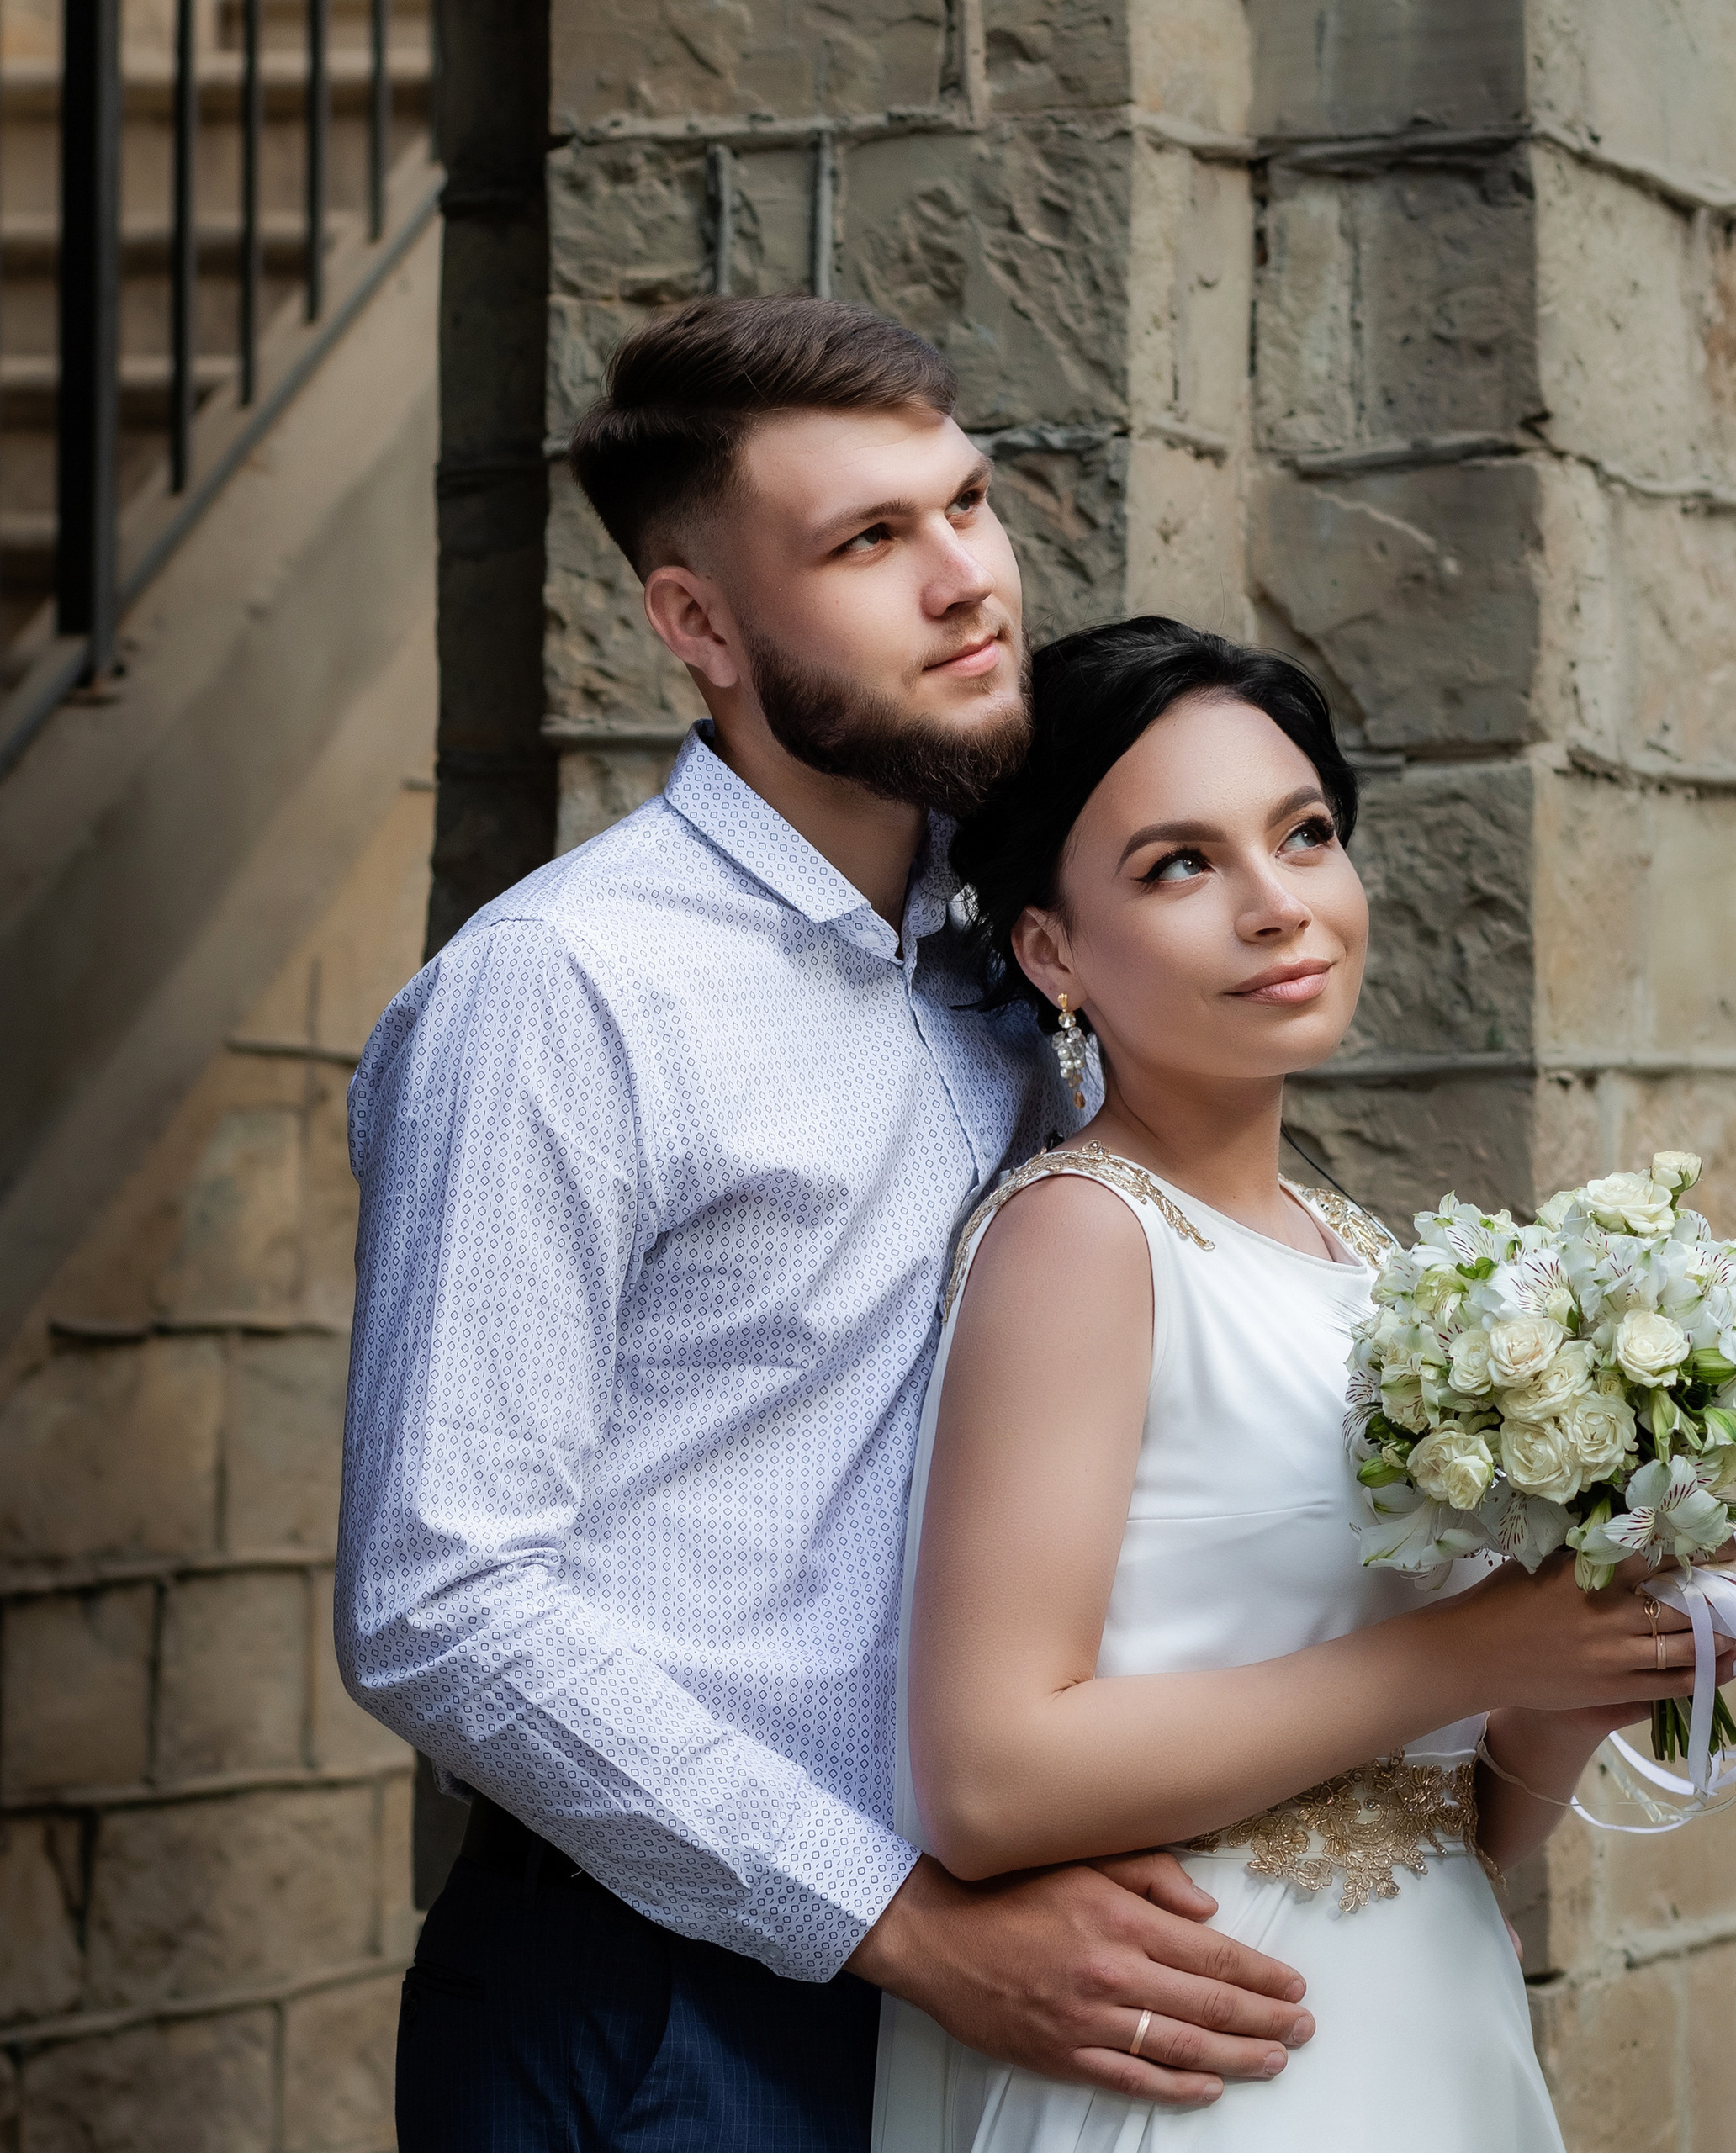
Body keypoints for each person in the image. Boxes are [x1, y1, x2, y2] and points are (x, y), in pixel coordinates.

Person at [336, 297, 1320, 2151]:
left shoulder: (1021, 953)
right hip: (661, 1997)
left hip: (984, 1970)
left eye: (965, 504)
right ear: (694, 624)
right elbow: (441, 1603)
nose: (964, 580)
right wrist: (895, 1919)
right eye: (868, 541)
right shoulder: (565, 994)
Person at [874, 618, 1736, 2149]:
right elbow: (990, 1779)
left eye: (1306, 836)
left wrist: (1592, 1664)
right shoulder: (1086, 1240)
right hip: (1209, 2048)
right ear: (1050, 948)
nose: (1282, 906)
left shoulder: (1371, 1258)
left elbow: (1459, 1822)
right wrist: (1484, 1645)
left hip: (1428, 2021)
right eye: (1180, 865)